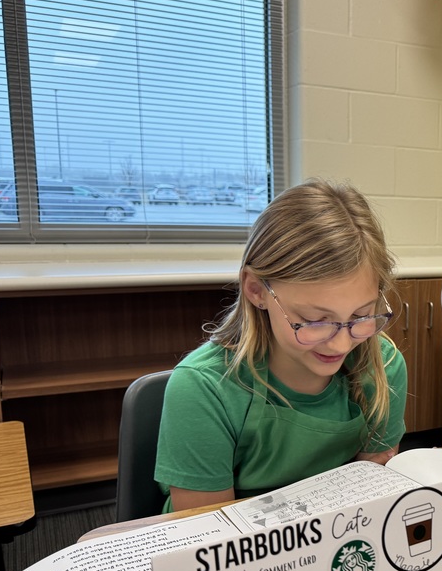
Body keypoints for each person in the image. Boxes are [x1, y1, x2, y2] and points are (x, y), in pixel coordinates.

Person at [154, 179, 408, 512]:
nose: (343, 342)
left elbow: (373, 502)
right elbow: (205, 537)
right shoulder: (203, 389)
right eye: (316, 320)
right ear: (257, 290)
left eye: (362, 315)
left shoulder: (384, 366)